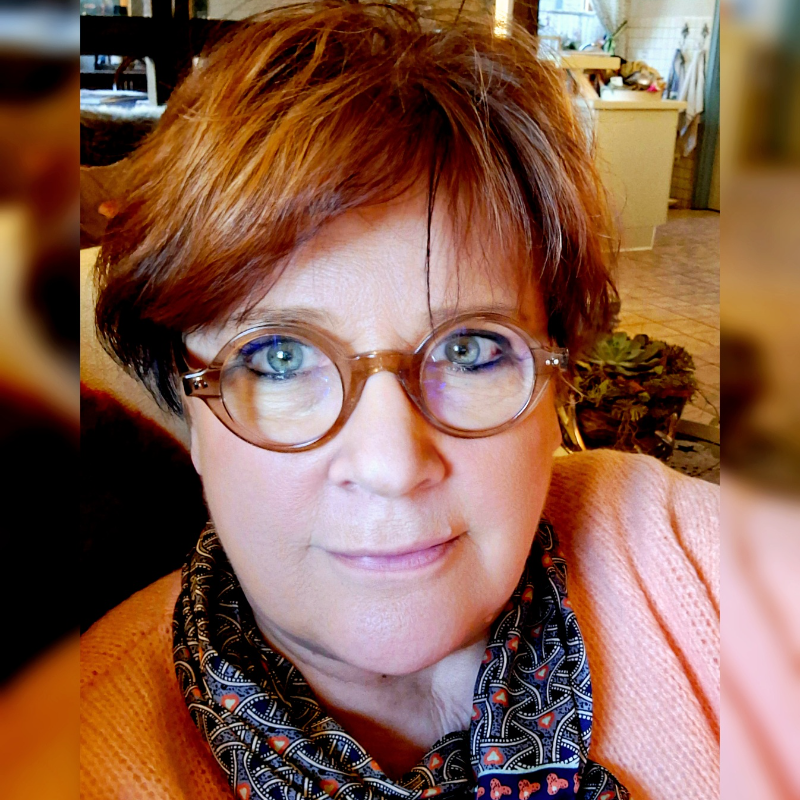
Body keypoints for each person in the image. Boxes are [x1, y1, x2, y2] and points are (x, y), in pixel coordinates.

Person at [80, 4, 719, 800]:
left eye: (469, 349)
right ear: (190, 408)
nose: (391, 465)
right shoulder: (77, 751)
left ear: (555, 383)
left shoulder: (690, 565)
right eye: (280, 358)